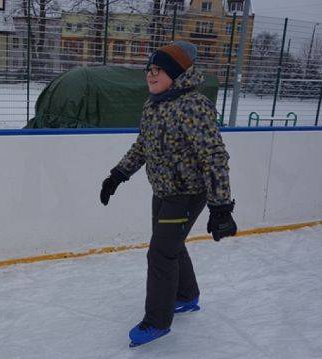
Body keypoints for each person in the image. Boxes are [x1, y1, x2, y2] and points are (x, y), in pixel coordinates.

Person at [99, 40, 237, 347]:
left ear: (175, 73)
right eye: (149, 69)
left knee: (160, 252)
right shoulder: (154, 104)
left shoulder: (194, 106)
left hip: (187, 193)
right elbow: (142, 145)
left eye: (158, 70)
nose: (150, 75)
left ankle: (157, 321)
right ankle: (186, 295)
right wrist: (118, 175)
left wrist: (221, 207)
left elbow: (214, 157)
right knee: (171, 245)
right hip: (162, 190)